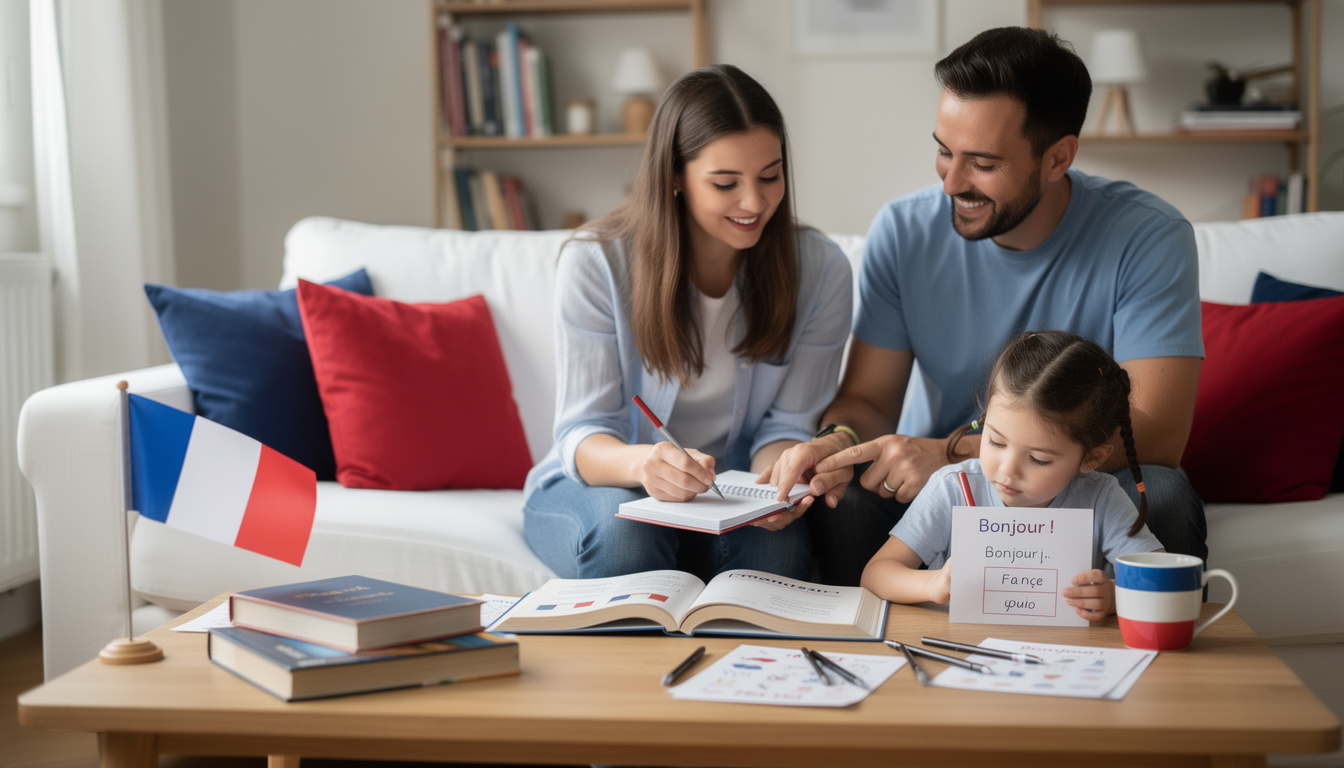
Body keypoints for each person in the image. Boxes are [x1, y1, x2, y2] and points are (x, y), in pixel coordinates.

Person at [767, 26, 1206, 586]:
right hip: (942, 495)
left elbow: (1159, 434)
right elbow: (869, 398)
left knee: (1162, 493)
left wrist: (954, 453)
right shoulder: (903, 232)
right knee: (845, 494)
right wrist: (837, 443)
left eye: (982, 163)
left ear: (1057, 158)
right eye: (943, 151)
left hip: (1067, 486)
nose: (951, 182)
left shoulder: (1148, 236)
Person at [522, 64, 853, 582]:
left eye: (770, 176)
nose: (755, 203)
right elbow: (583, 433)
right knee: (627, 539)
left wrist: (776, 483)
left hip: (729, 496)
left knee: (778, 550)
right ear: (675, 175)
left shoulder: (822, 270)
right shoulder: (597, 263)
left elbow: (787, 427)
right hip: (602, 484)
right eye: (726, 183)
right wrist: (643, 466)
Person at [861, 331, 1165, 621]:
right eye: (995, 442)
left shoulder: (1100, 498)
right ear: (983, 417)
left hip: (1058, 656)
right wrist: (933, 584)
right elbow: (876, 574)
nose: (1008, 470)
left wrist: (1113, 596)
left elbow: (1160, 580)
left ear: (1092, 458)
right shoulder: (954, 488)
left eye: (1038, 459)